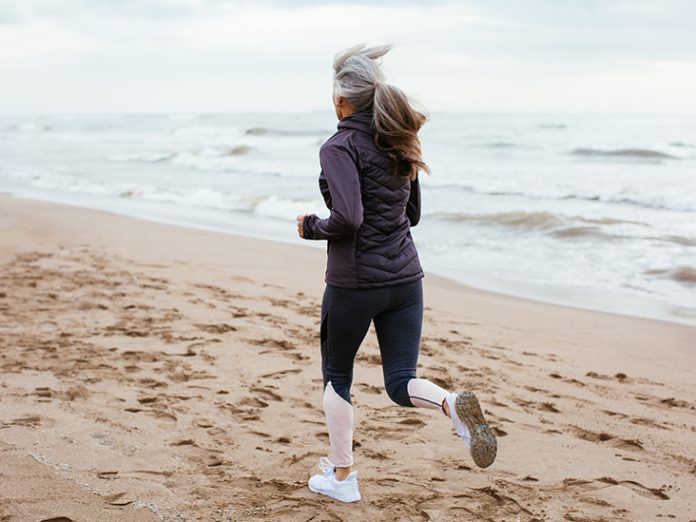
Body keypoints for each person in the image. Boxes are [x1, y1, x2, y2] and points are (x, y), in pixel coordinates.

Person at [296, 43, 497, 504]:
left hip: (354, 283)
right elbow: (414, 213)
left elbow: (347, 219)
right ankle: (449, 404)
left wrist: (311, 226)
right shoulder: (399, 140)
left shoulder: (339, 146)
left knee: (337, 378)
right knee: (400, 380)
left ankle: (343, 478)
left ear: (341, 100)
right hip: (406, 280)